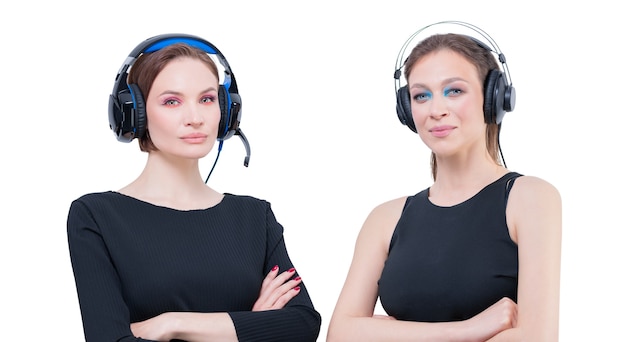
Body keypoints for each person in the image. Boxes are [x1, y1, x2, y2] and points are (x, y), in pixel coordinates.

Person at [67, 34, 321, 342]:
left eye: (207, 99)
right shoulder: (95, 216)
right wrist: (250, 327)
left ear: (226, 111)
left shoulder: (255, 217)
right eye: (172, 101)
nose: (195, 118)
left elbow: (303, 324)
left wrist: (171, 324)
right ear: (135, 113)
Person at [327, 21, 561, 341]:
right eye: (421, 96)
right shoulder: (385, 219)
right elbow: (340, 334)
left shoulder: (531, 198)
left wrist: (385, 331)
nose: (436, 109)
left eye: (454, 90)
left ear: (493, 98)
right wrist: (471, 329)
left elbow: (535, 337)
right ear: (407, 111)